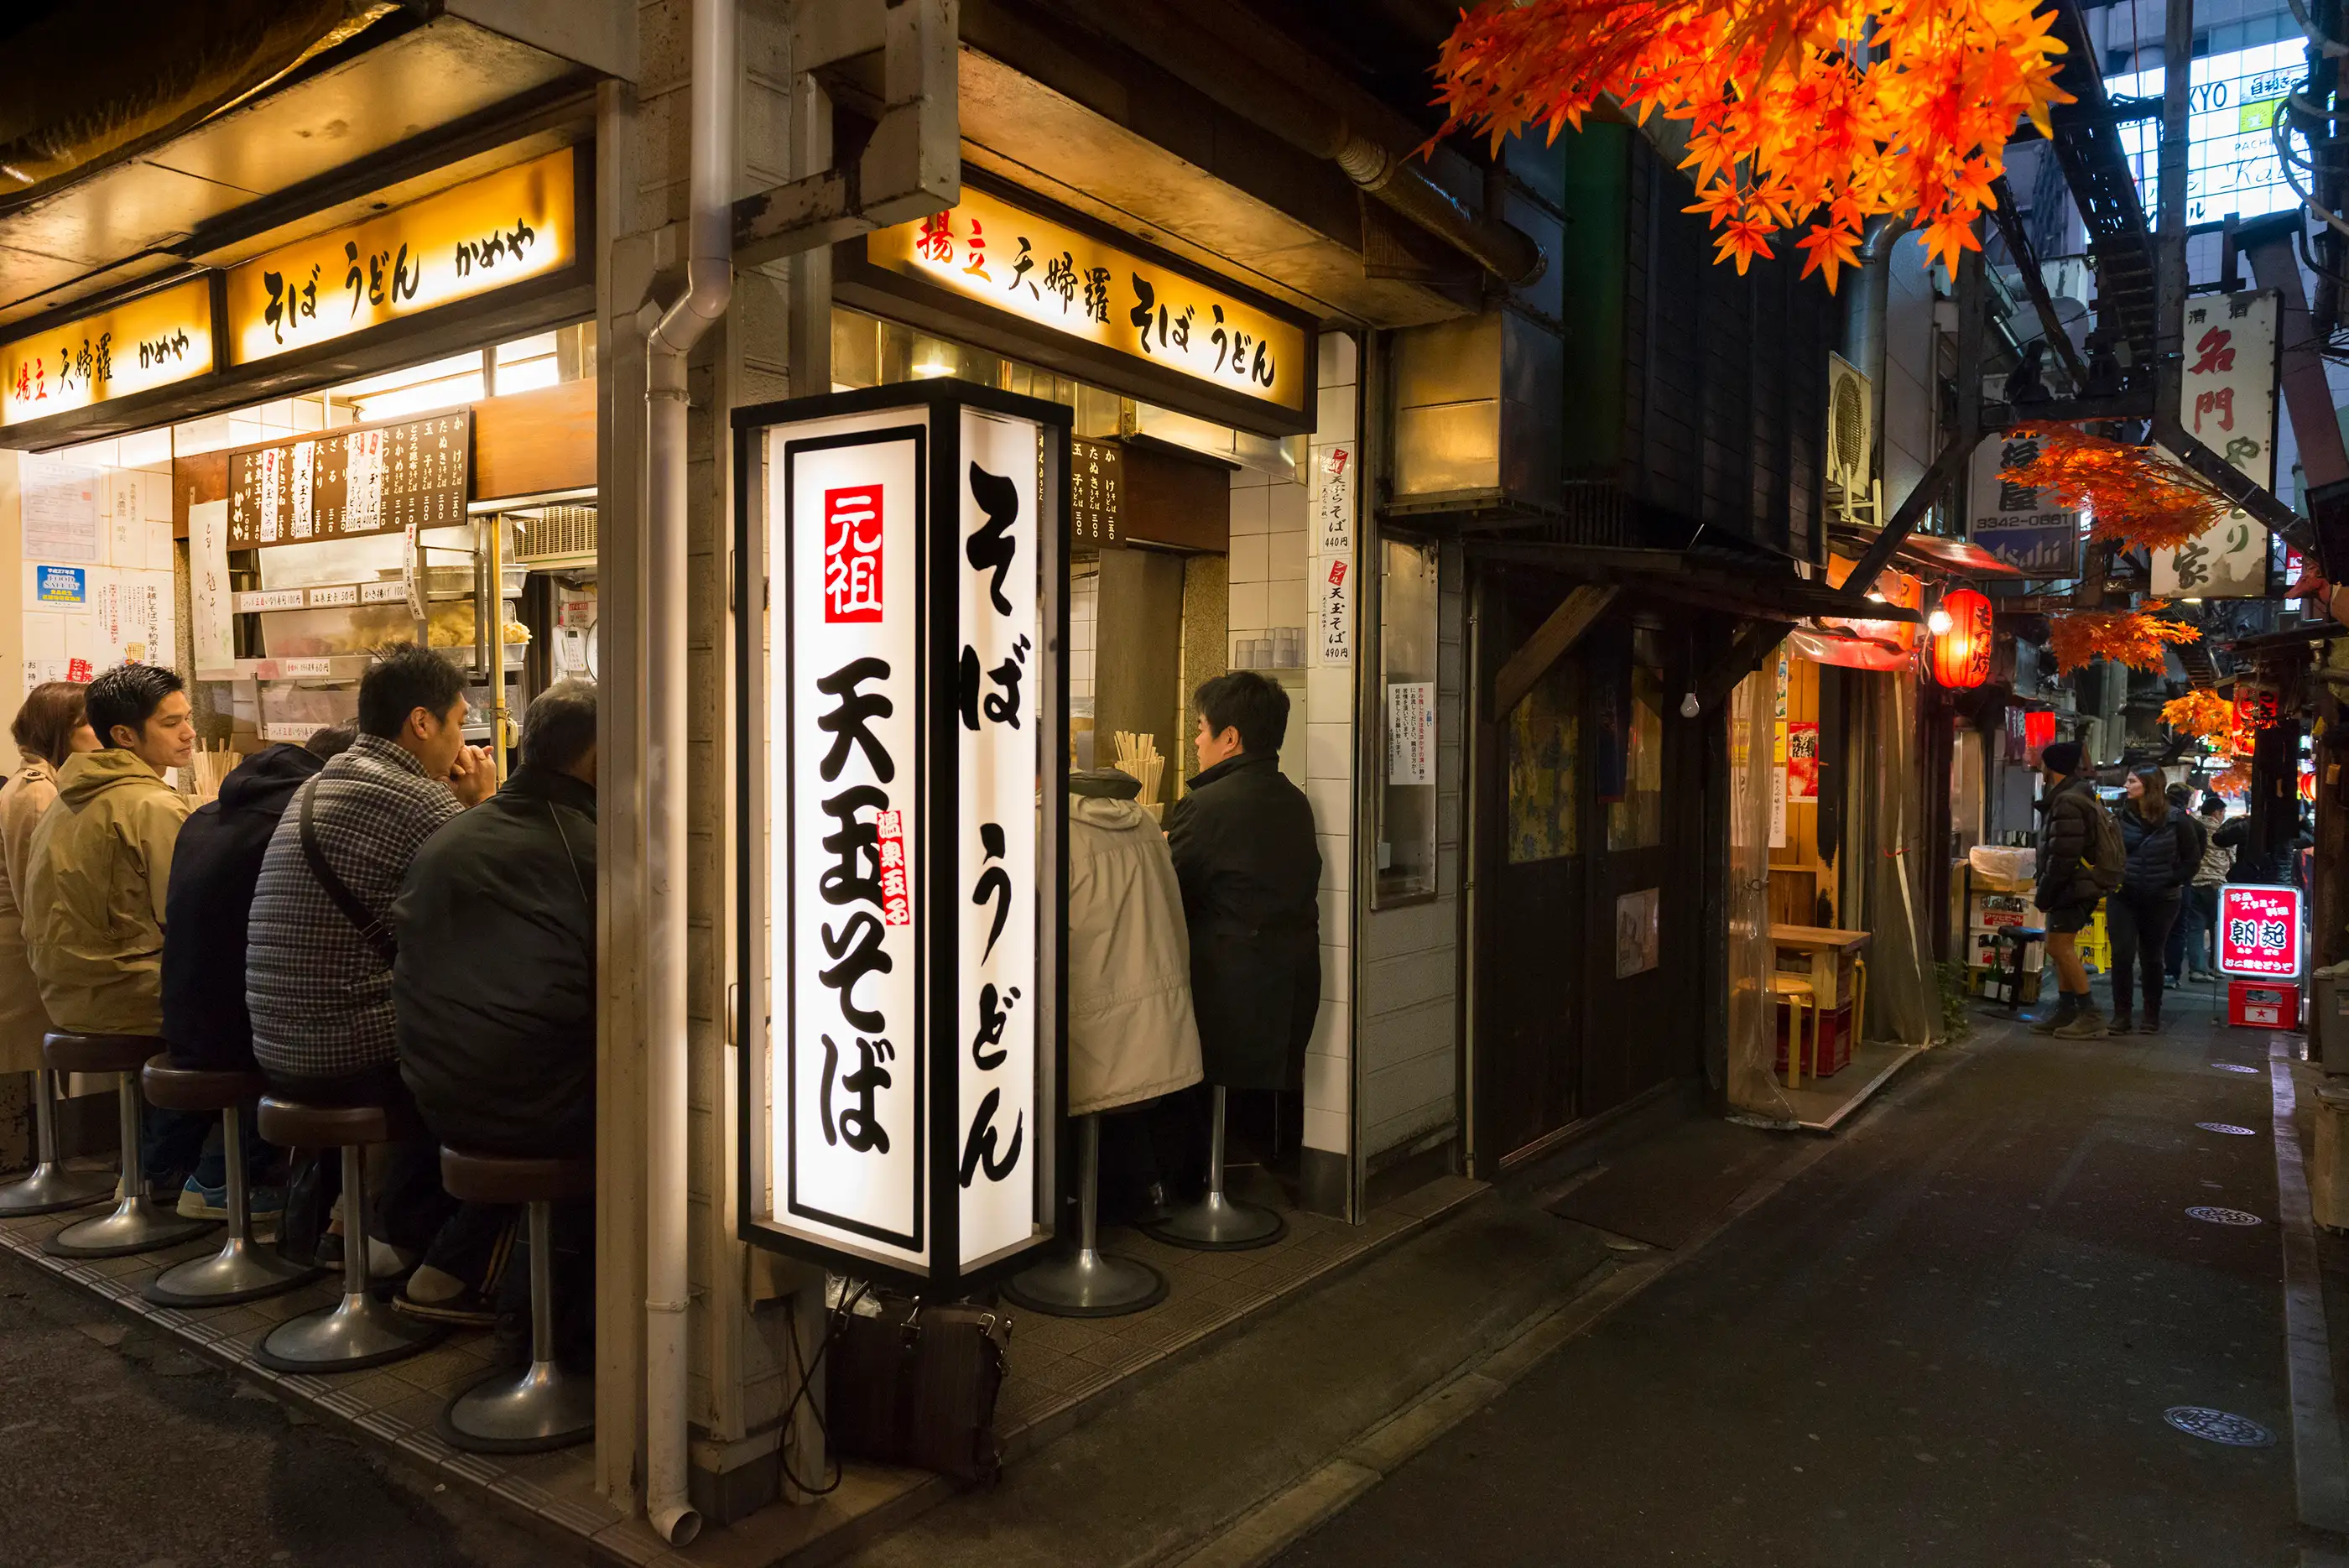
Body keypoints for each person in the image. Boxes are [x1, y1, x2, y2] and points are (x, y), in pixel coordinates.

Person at [247, 644, 496, 1289]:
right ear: (421, 723)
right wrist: (482, 807)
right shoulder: (420, 802)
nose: (463, 737)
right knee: (490, 1074)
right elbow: (495, 908)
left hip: (275, 1049)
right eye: (458, 720)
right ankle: (413, 1248)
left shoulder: (319, 780)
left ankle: (343, 1225)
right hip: (344, 1059)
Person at [392, 680, 597, 1344]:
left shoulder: (452, 835)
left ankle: (456, 1269)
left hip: (431, 1092)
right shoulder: (591, 849)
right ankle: (560, 1323)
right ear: (599, 756)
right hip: (524, 1109)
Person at [157, 724, 357, 1220]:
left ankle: (154, 1171)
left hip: (178, 1009)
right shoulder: (301, 822)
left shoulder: (206, 814)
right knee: (324, 1042)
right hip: (236, 1029)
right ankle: (224, 1182)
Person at [23, 664, 206, 1196]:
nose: (189, 733)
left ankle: (158, 1168)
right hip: (128, 996)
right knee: (248, 1023)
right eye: (172, 723)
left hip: (64, 992)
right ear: (125, 736)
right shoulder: (151, 804)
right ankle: (193, 1177)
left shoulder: (64, 799)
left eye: (188, 718)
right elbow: (186, 918)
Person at [1165, 671, 1320, 1183]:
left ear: (1230, 738)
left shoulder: (1207, 806)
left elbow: (1171, 896)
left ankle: (1200, 1189)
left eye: (1202, 728)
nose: (1195, 739)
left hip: (1227, 994)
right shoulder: (1294, 800)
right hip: (1289, 985)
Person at [1064, 765, 1202, 1222]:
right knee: (1124, 1104)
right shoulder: (1141, 817)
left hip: (1089, 1010)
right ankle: (1146, 1192)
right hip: (1147, 1008)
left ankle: (1080, 1223)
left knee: (1090, 1099)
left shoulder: (1047, 828)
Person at [0, 684, 100, 1113]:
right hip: (21, 952)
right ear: (60, 732)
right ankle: (46, 1165)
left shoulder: (49, 783)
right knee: (31, 1056)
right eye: (88, 725)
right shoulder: (37, 791)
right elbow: (34, 889)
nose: (102, 734)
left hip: (31, 945)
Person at [2107, 768, 2197, 1034]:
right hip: (2124, 895)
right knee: (2121, 955)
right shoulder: (2122, 816)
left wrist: (2170, 880)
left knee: (2152, 957)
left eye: (2132, 781)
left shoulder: (2177, 820)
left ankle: (2151, 1015)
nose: (2126, 785)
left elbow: (2192, 859)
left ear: (2148, 785)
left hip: (2162, 899)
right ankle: (2121, 1015)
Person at [2030, 741, 2110, 1039]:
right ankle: (2066, 1011)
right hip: (2075, 884)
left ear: (2051, 768)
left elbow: (2064, 855)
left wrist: (2046, 893)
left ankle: (2090, 1014)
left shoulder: (2067, 801)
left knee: (2058, 947)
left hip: (2072, 885)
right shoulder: (2077, 795)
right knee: (2059, 947)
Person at [2160, 784, 2208, 985]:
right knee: (2177, 931)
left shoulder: (2154, 820)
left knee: (2151, 929)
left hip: (2153, 882)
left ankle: (2152, 970)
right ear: (2188, 800)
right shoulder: (2194, 826)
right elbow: (2196, 858)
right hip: (2181, 885)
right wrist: (2180, 878)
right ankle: (2171, 973)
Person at [2183, 796, 2231, 980]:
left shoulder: (2191, 827)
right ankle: (2218, 966)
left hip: (2194, 882)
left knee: (2195, 927)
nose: (2223, 816)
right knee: (2218, 927)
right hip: (2217, 884)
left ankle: (2197, 970)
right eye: (2223, 813)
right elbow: (2233, 856)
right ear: (2216, 813)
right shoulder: (2222, 831)